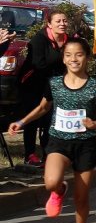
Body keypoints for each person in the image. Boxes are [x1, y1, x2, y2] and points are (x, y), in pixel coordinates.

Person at [7, 38, 96, 223]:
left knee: (82, 198)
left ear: (87, 58)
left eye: (79, 54)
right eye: (69, 55)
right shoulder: (54, 83)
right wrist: (22, 122)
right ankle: (59, 190)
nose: (74, 59)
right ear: (63, 58)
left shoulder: (95, 86)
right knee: (51, 181)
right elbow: (44, 108)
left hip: (85, 145)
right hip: (58, 141)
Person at [18, 8, 71, 165]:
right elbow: (39, 64)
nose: (62, 24)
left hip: (54, 84)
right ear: (49, 24)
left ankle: (49, 154)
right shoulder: (39, 39)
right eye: (58, 21)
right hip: (32, 83)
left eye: (64, 21)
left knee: (51, 119)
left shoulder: (69, 39)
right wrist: (61, 62)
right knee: (33, 118)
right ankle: (30, 155)